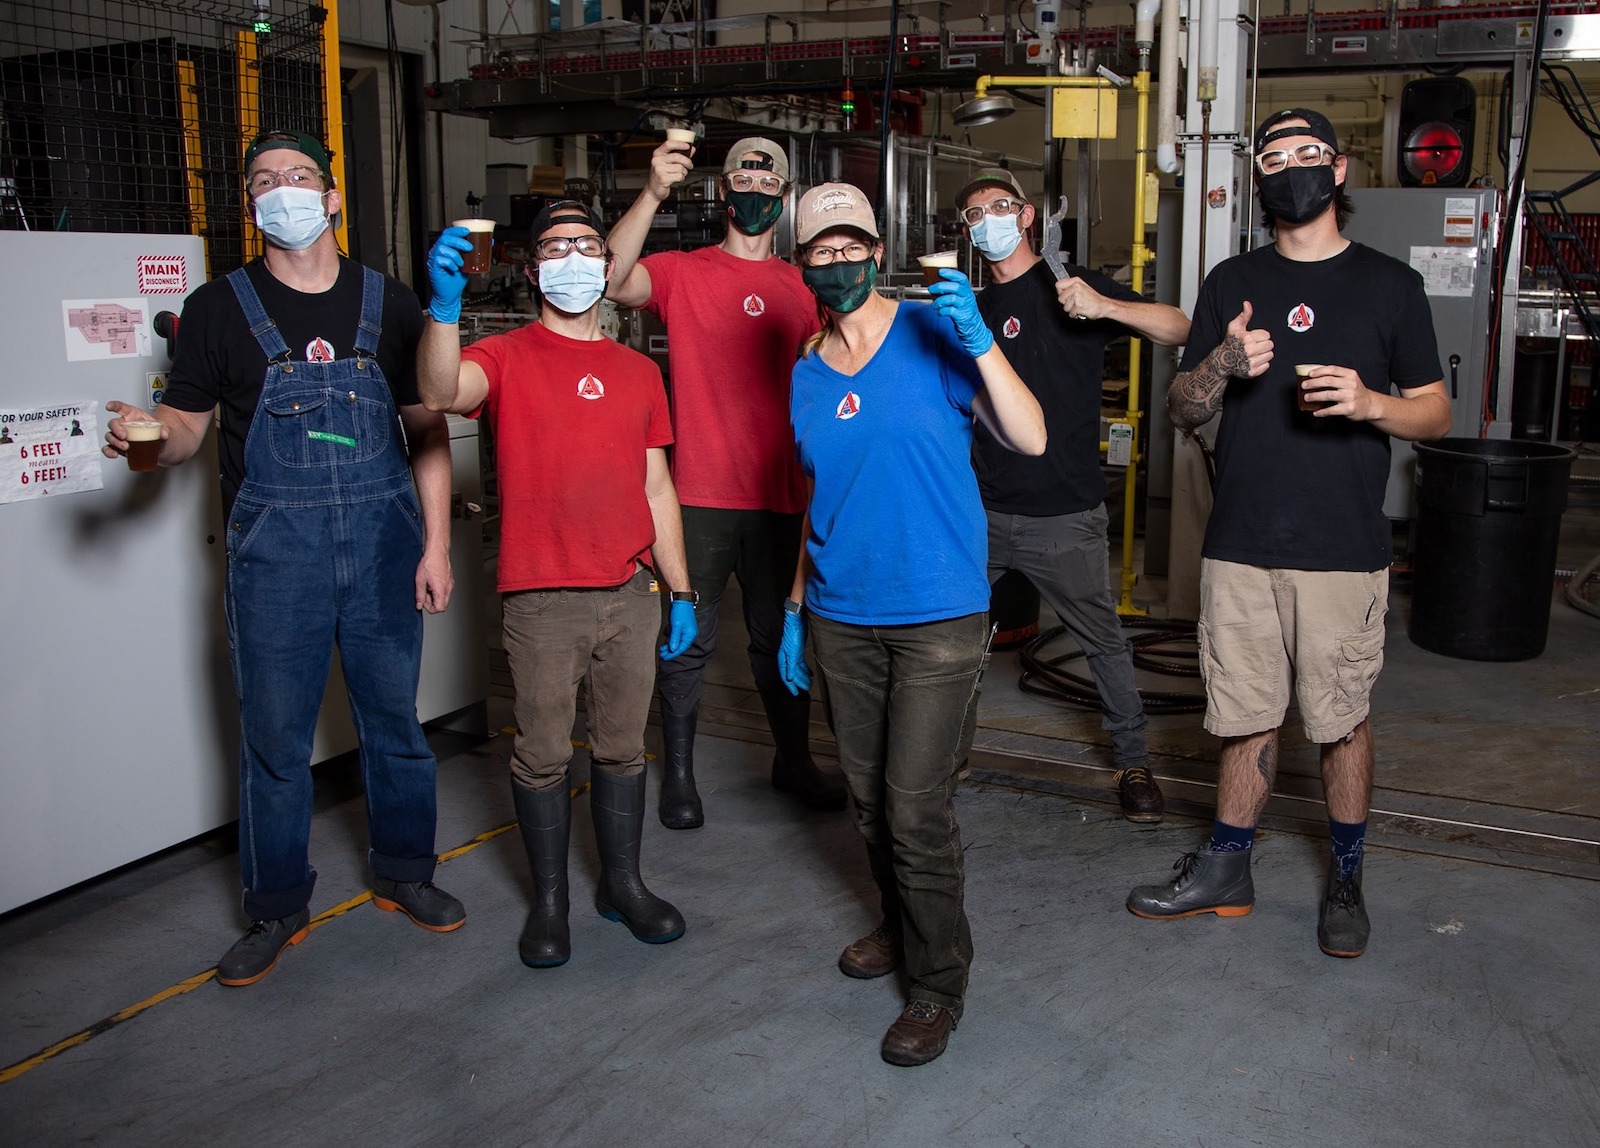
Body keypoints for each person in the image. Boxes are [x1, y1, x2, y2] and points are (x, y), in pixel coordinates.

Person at [101, 130, 464, 987]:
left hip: (384, 546)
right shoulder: (218, 308)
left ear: (332, 198)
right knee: (273, 742)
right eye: (265, 181)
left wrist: (438, 543)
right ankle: (274, 906)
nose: (283, 190)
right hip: (276, 559)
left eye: (300, 176)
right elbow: (187, 428)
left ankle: (406, 871)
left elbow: (428, 427)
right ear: (251, 206)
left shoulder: (392, 301)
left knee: (395, 727)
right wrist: (147, 439)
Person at [1126, 109, 1451, 958]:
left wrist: (1373, 403)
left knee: (1340, 720)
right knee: (1244, 714)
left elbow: (1438, 413)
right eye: (1274, 158)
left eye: (1308, 154)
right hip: (1239, 542)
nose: (1291, 168)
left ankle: (1345, 875)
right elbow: (1181, 407)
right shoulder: (1232, 279)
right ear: (1258, 181)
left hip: (1341, 548)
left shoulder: (1390, 286)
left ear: (1339, 171)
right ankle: (1228, 868)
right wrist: (1221, 365)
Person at [778, 183, 1046, 1066]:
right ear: (803, 261)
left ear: (877, 249)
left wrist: (979, 342)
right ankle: (898, 926)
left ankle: (937, 984)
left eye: (854, 246)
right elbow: (814, 495)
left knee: (915, 808)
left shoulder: (932, 333)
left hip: (938, 615)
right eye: (822, 250)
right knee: (866, 803)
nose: (840, 262)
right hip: (839, 616)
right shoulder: (805, 371)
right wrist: (794, 608)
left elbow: (1030, 436)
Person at [417, 200, 697, 968]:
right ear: (533, 266)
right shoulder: (504, 356)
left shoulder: (640, 371)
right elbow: (441, 394)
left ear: (608, 265)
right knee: (542, 753)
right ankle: (549, 902)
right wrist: (443, 310)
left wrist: (682, 591)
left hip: (630, 592)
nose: (572, 257)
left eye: (585, 243)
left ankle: (623, 884)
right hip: (542, 599)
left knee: (622, 749)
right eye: (554, 245)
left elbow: (657, 488)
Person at [605, 134, 846, 829]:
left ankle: (793, 760)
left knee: (783, 637)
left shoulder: (805, 286)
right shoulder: (683, 272)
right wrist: (652, 191)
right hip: (700, 494)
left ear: (784, 195)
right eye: (741, 179)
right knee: (689, 638)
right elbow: (610, 279)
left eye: (767, 185)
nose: (753, 193)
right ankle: (678, 776)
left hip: (783, 495)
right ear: (721, 188)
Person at [958, 168, 1191, 823]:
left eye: (999, 207)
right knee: (953, 643)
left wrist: (1106, 306)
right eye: (975, 215)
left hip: (1064, 514)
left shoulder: (1072, 289)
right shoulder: (971, 308)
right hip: (981, 511)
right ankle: (944, 756)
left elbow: (1177, 326)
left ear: (1026, 215)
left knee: (1104, 645)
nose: (989, 221)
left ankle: (1134, 763)